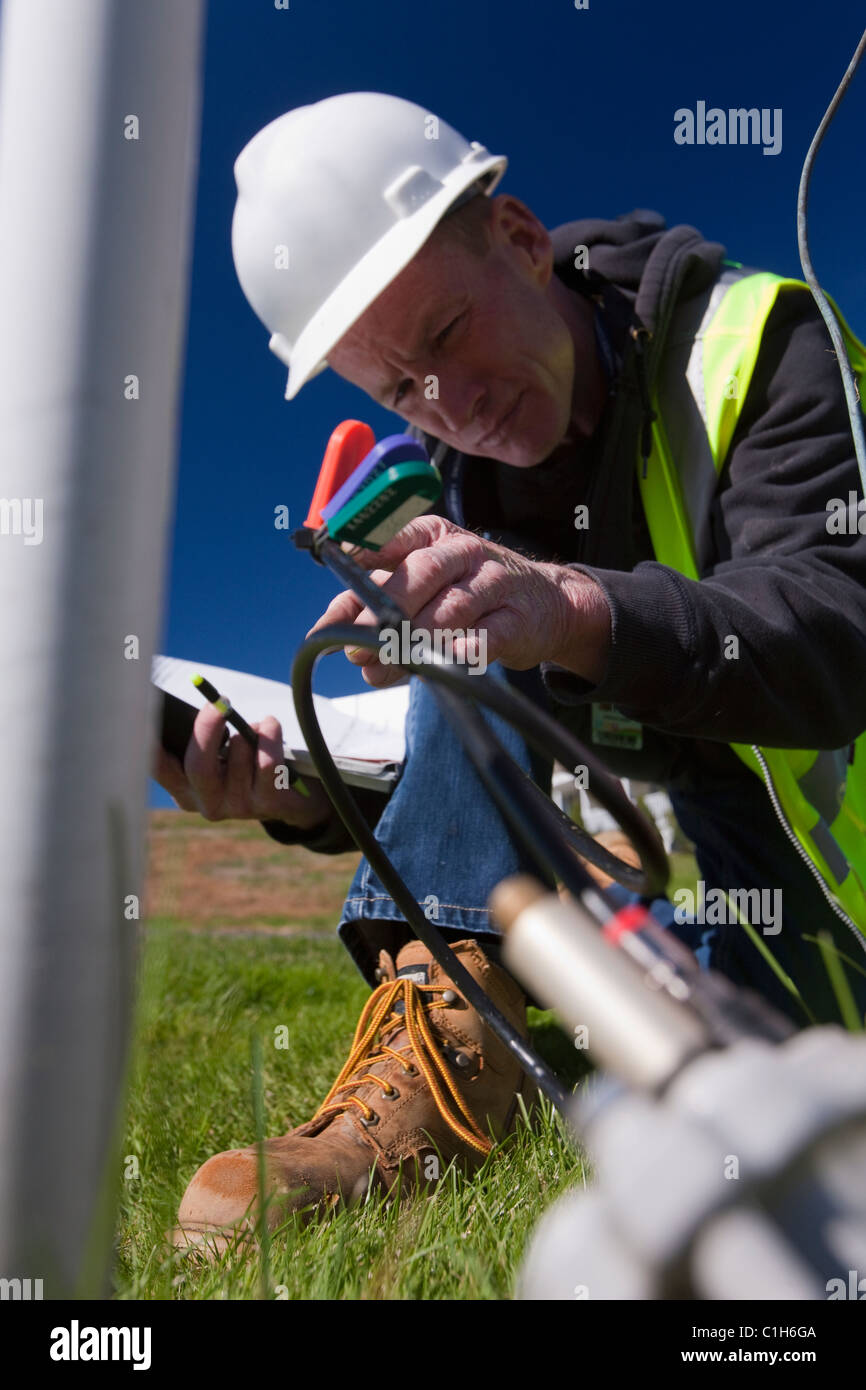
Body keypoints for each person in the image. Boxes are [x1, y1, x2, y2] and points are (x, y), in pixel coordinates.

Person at [154, 92, 866, 1252]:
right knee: (458, 628)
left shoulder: (762, 342)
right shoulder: (456, 505)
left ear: (523, 241)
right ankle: (460, 1042)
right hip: (690, 909)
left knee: (486, 618)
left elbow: (843, 621)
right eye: (396, 389)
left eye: (440, 337)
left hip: (836, 910)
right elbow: (509, 777)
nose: (448, 404)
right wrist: (298, 796)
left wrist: (573, 610)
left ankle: (515, 1039)